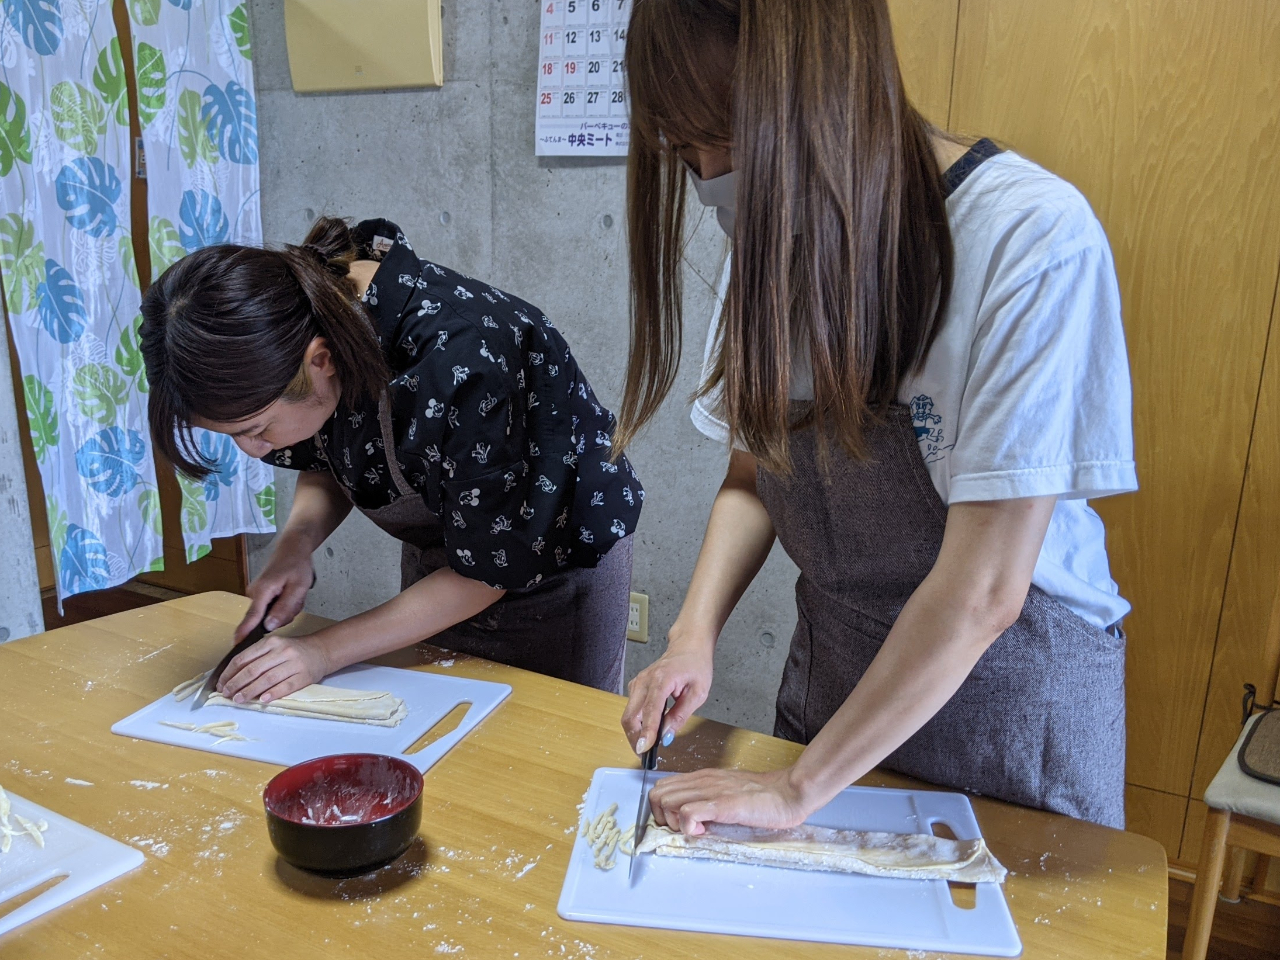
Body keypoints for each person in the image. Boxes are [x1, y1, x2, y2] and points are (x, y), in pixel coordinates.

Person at [617, 0, 1136, 832]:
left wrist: (797, 788)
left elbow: (984, 591)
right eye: (687, 153)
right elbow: (753, 477)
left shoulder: (1028, 237)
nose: (712, 177)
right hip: (837, 685)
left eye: (734, 141)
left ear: (831, 85)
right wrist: (691, 635)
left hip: (1006, 704)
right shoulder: (772, 243)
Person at [140, 216, 642, 700]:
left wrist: (322, 651)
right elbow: (327, 451)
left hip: (553, 572)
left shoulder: (464, 362)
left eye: (254, 429)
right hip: (449, 567)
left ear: (320, 361)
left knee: (546, 744)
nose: (253, 449)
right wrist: (296, 544)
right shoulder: (314, 322)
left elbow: (488, 570)